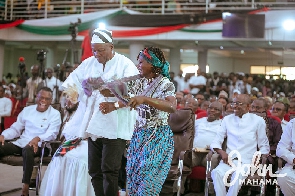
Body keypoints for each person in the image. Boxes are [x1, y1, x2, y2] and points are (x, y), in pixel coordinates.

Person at [61, 28, 139, 196]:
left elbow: (133, 94)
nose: (97, 53)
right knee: (94, 170)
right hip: (92, 124)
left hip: (115, 125)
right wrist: (71, 95)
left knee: (109, 171)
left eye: (101, 50)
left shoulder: (125, 64)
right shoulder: (89, 62)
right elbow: (74, 81)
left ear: (111, 47)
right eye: (94, 49)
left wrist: (113, 102)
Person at [99, 46, 176, 195]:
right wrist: (111, 101)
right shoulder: (140, 81)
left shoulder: (165, 83)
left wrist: (145, 99)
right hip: (139, 137)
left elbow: (172, 107)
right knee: (134, 183)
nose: (138, 65)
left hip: (157, 139)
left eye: (141, 62)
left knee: (147, 186)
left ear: (152, 65)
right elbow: (126, 96)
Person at [0, 87, 61, 196]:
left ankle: (25, 187)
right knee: (1, 146)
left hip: (42, 146)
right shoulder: (27, 110)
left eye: (47, 99)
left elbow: (52, 134)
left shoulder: (55, 114)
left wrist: (38, 138)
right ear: (36, 97)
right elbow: (15, 129)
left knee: (28, 149)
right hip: (22, 143)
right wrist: (3, 135)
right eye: (41, 97)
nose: (44, 101)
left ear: (51, 101)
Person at [210, 94, 270, 196]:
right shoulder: (227, 119)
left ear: (248, 106)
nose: (234, 106)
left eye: (238, 103)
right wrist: (221, 152)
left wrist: (258, 156)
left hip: (246, 161)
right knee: (216, 173)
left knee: (237, 175)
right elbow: (216, 141)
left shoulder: (258, 121)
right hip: (229, 160)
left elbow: (264, 146)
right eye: (233, 103)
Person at [40, 87, 95, 196]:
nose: (68, 101)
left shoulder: (87, 110)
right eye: (67, 98)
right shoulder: (65, 113)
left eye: (72, 99)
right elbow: (67, 133)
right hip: (71, 142)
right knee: (60, 156)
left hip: (87, 143)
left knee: (80, 159)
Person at [276, 118, 295, 196]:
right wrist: (293, 159)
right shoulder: (293, 123)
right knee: (284, 177)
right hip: (293, 165)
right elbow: (281, 148)